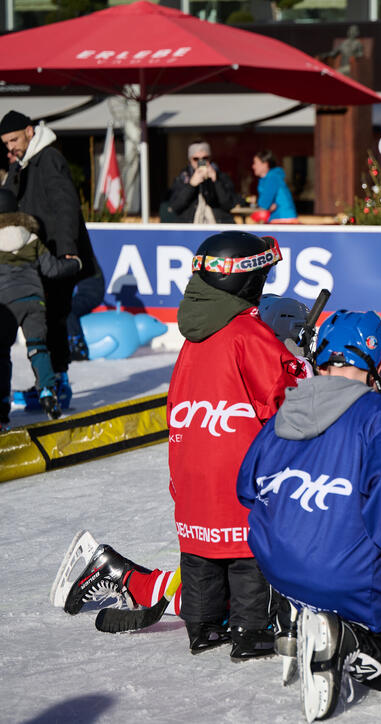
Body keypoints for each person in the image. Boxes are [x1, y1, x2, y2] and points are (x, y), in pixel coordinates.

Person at [53, 292, 316, 628]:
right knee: (264, 601)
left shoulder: (222, 375)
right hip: (232, 522)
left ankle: (124, 574)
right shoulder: (266, 389)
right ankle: (131, 578)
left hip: (215, 518)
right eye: (299, 343)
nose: (303, 353)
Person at [238, 310, 381, 722]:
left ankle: (297, 613)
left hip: (278, 569)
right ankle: (344, 639)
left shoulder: (284, 412)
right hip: (346, 579)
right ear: (375, 366)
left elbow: (245, 488)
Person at [169, 231, 305, 657]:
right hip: (237, 469)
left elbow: (175, 404)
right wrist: (302, 365)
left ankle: (204, 624)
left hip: (191, 466)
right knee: (249, 554)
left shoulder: (193, 339)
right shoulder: (248, 333)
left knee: (201, 554)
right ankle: (251, 629)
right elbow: (284, 397)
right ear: (245, 283)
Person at [1, 109, 103, 411]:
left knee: (55, 318)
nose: (10, 147)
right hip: (39, 255)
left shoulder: (49, 159)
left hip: (58, 252)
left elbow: (65, 205)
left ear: (30, 131)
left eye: (14, 140)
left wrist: (67, 251)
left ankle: (58, 383)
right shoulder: (25, 163)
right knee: (44, 322)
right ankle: (47, 383)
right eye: (6, 143)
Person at [0, 187, 81, 424]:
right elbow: (52, 269)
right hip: (34, 301)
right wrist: (74, 264)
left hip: (5, 304)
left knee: (2, 355)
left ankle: (3, 405)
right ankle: (47, 391)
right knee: (38, 348)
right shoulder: (32, 238)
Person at [166, 141, 240, 224]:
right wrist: (191, 185)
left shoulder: (221, 177)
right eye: (196, 159)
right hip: (190, 228)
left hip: (217, 226)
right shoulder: (182, 178)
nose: (201, 162)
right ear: (190, 160)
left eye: (205, 158)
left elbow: (228, 205)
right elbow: (175, 207)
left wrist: (216, 182)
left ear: (210, 158)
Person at [250, 150, 297, 224]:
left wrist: (266, 208)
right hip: (280, 219)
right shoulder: (270, 178)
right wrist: (268, 208)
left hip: (283, 220)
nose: (253, 166)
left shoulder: (272, 178)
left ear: (265, 164)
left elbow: (263, 204)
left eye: (255, 163)